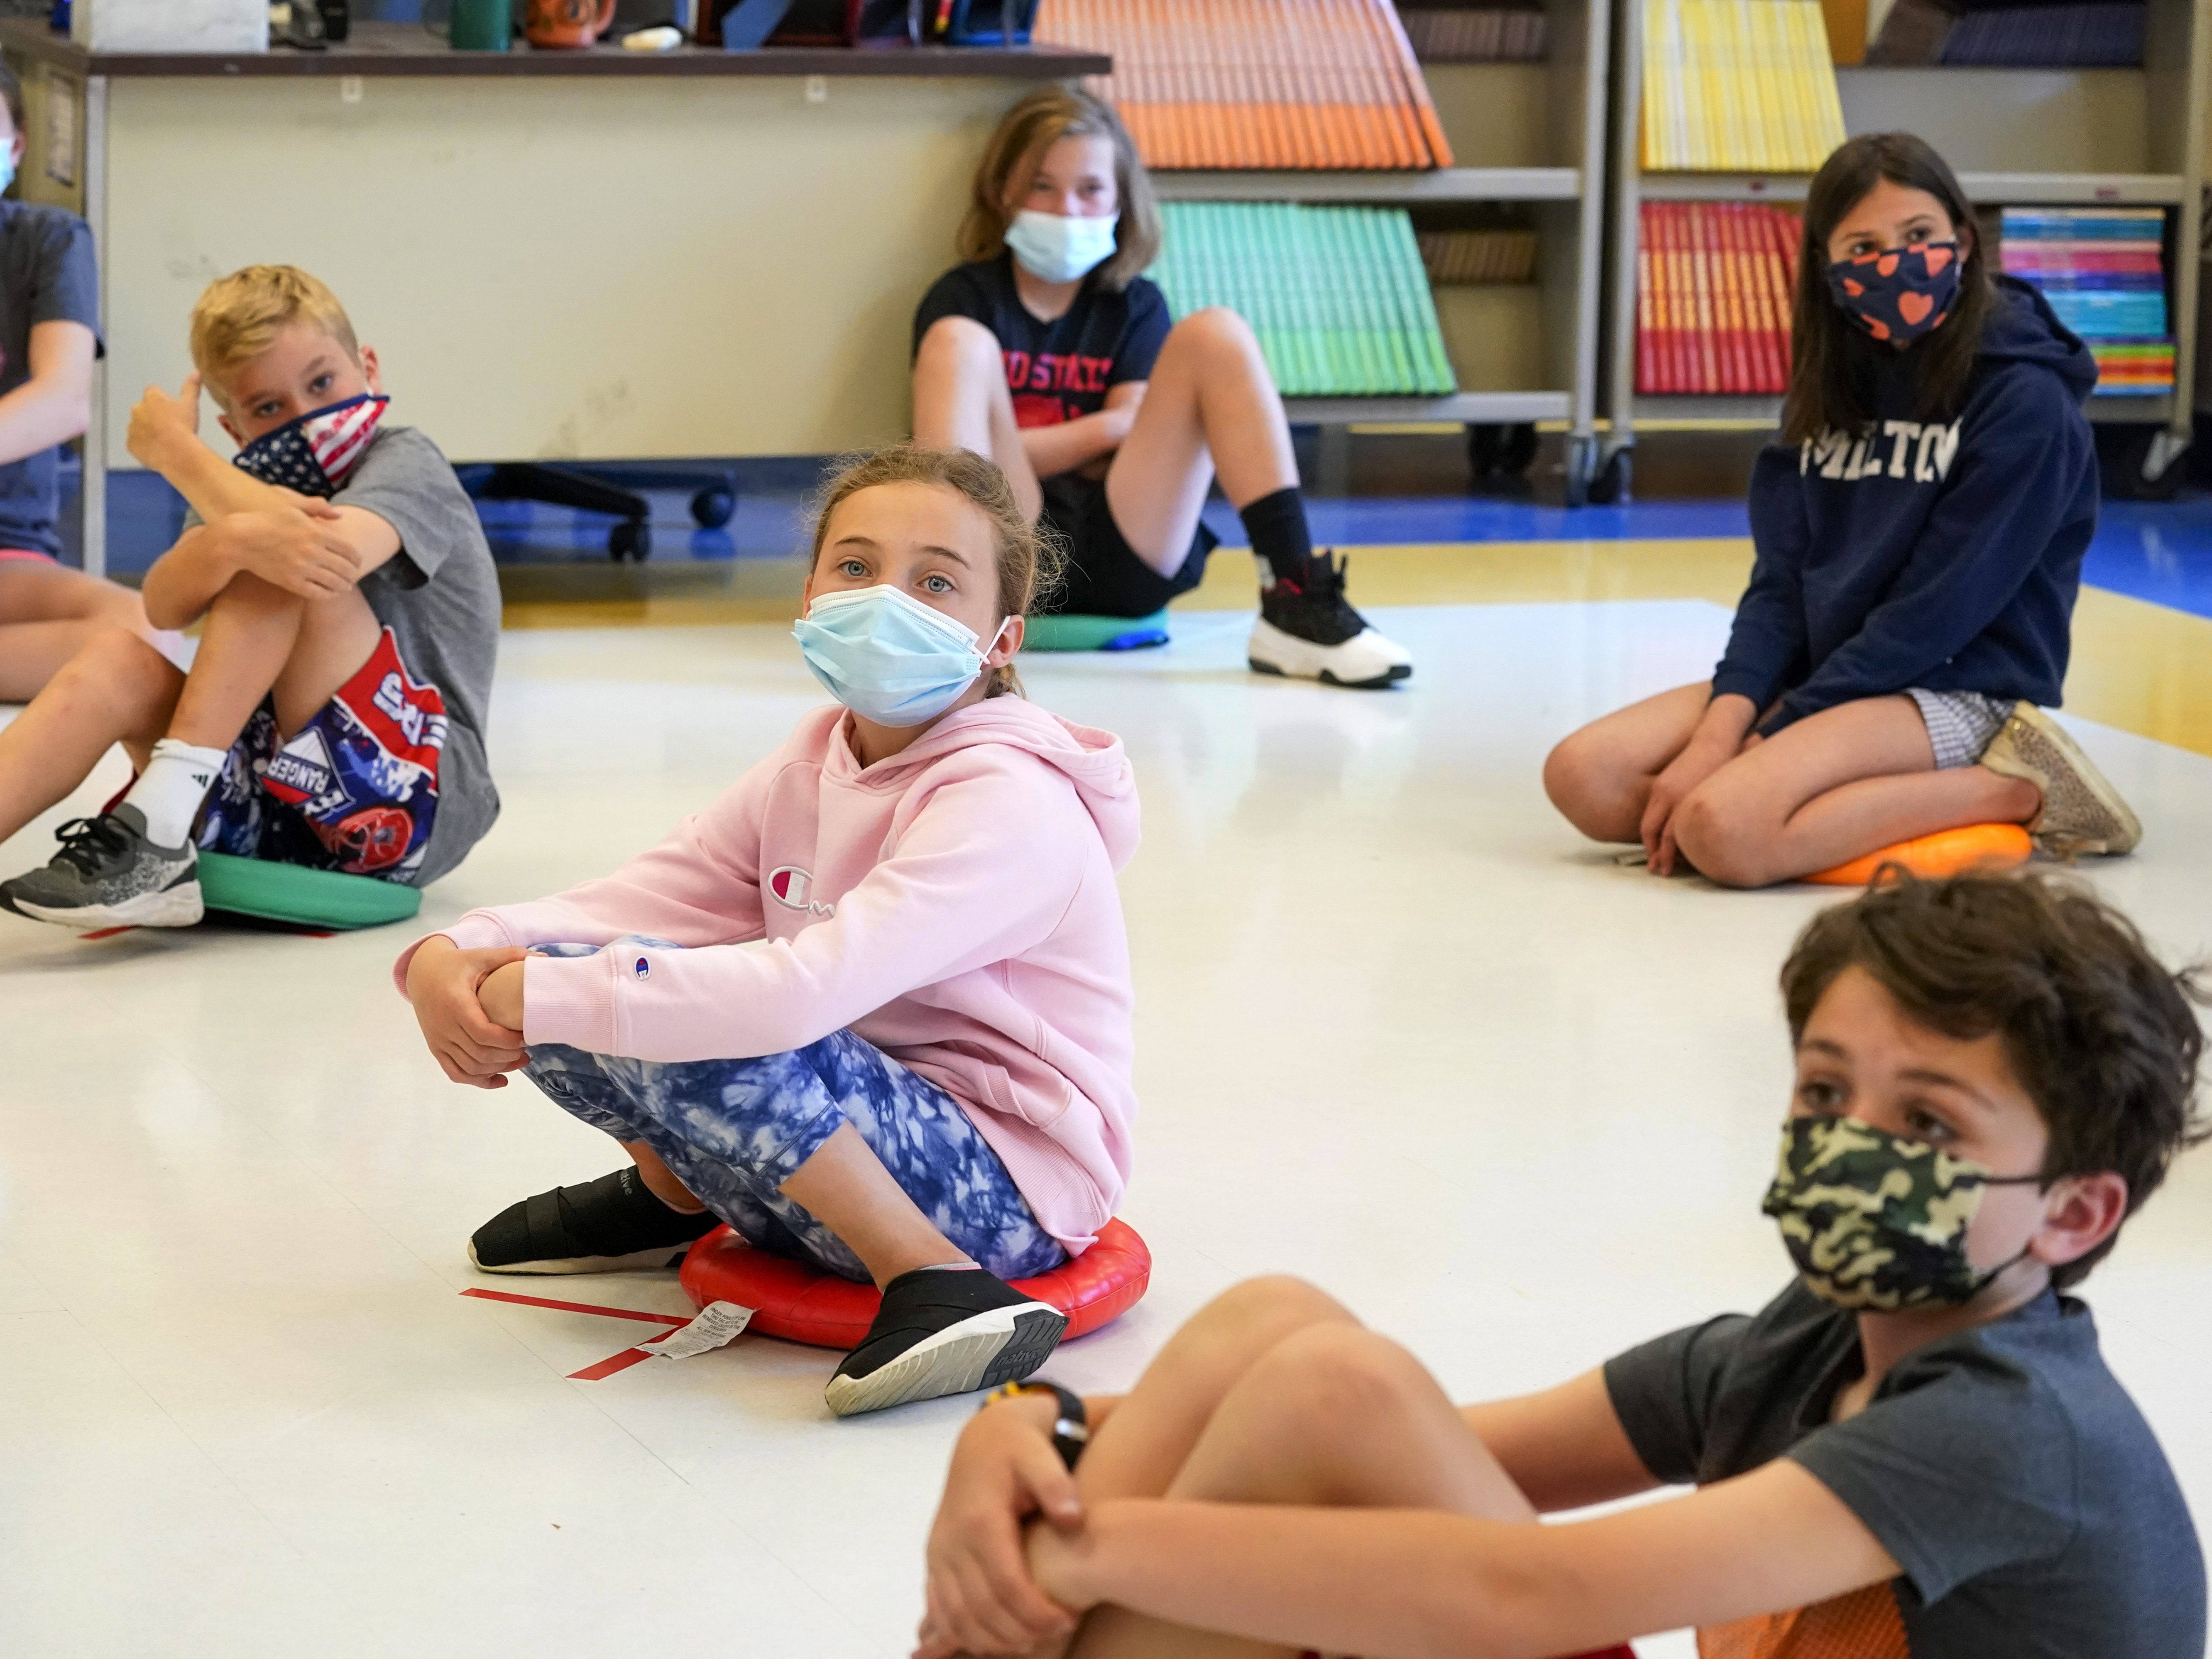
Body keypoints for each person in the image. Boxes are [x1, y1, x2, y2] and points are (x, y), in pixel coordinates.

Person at [916, 871, 2206, 1659]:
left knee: (1336, 1387)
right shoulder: (1800, 1343)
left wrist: (1079, 1553)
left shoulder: (2014, 1429)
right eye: (1825, 1091)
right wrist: (1035, 1427)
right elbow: (1370, 1449)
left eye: (1927, 1122)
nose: (1852, 1144)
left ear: (2074, 1213)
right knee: (1282, 1330)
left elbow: (1524, 1594)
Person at [397, 445, 1139, 1418]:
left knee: (669, 999)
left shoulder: (1011, 801)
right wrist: (459, 951)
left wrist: (543, 991)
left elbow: (804, 992)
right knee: (599, 975)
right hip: (858, 1129)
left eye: (937, 582)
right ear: (809, 593)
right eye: (857, 568)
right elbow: (654, 894)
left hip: (1006, 1193)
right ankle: (672, 1197)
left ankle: (935, 1282)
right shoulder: (815, 756)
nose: (887, 602)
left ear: (1002, 635)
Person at [1544, 134, 2129, 888]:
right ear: (1828, 272)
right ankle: (1831, 786)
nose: (1897, 262)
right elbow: (1781, 582)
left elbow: (1935, 615)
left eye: (1919, 236)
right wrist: (1725, 726)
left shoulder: (2027, 403)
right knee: (1585, 778)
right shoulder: (1830, 385)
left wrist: (1773, 734)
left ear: (1963, 236)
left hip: (1955, 684)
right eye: (1864, 246)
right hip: (1833, 671)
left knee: (1724, 829)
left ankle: (2022, 790)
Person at [0, 264, 500, 927]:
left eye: (322, 382)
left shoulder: (408, 461)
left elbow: (319, 553)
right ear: (235, 430)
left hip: (411, 806)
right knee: (119, 656)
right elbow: (163, 609)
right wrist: (220, 544)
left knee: (284, 554)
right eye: (269, 407)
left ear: (369, 367)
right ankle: (163, 830)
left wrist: (180, 456)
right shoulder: (243, 490)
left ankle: (159, 824)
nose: (306, 415)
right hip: (262, 794)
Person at [912, 85, 1412, 689]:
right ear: (1003, 192)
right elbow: (966, 458)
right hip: (1005, 557)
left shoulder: (1136, 306)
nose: (1068, 209)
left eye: (1091, 189)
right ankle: (937, 620)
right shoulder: (965, 299)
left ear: (1122, 200)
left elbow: (1123, 438)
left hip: (1129, 546)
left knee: (1215, 334)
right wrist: (1108, 429)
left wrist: (1020, 439)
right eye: (1043, 186)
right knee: (958, 344)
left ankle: (1295, 597)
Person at [0, 63, 176, 705]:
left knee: (146, 634)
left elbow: (64, 401)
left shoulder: (47, 242)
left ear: (16, 147)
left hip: (9, 551)